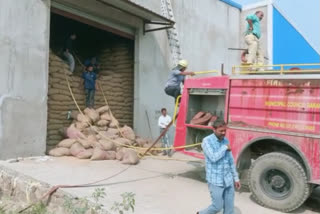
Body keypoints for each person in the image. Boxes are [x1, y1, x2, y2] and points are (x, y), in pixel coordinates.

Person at [197, 120, 241, 214]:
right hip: (215, 181)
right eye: (221, 131)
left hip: (228, 180)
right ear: (214, 129)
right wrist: (225, 148)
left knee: (229, 209)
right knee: (217, 206)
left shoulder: (225, 140)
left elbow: (230, 161)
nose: (223, 133)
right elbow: (213, 157)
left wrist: (236, 178)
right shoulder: (207, 141)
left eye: (225, 130)